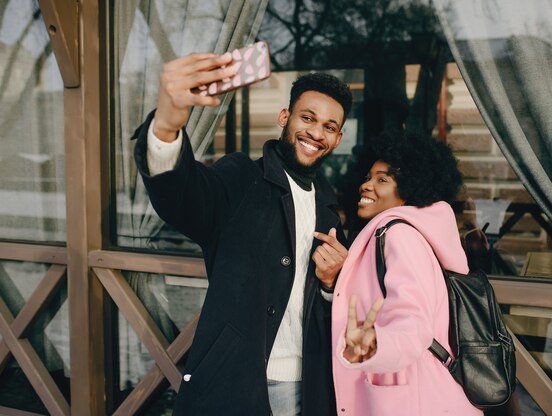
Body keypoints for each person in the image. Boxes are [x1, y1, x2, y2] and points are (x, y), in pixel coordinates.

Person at [131, 52, 352, 415]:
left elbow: (329, 306)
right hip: (236, 384)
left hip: (309, 385)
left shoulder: (330, 207)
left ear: (338, 138)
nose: (316, 132)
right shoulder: (240, 177)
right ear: (285, 117)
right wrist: (167, 125)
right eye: (308, 118)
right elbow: (182, 197)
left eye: (329, 127)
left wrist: (330, 286)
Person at [330, 131, 482, 415]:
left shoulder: (400, 236)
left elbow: (413, 320)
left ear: (410, 189)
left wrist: (377, 344)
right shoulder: (403, 232)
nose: (366, 186)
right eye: (368, 177)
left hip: (416, 400)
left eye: (382, 179)